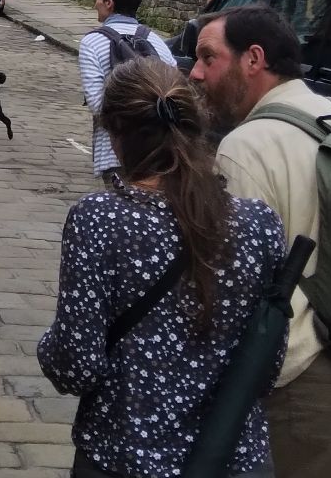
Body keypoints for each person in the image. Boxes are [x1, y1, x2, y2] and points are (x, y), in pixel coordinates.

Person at [188, 5, 331, 477]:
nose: (195, 73)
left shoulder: (248, 145)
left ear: (253, 59)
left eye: (207, 57)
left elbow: (233, 287)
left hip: (309, 385)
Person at [39, 59, 288, 478]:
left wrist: (48, 347)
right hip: (231, 458)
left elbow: (77, 366)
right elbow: (266, 366)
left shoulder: (99, 219)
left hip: (125, 456)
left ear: (115, 133)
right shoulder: (259, 222)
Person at [77, 0, 176, 181]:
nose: (96, 3)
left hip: (115, 154)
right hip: (158, 153)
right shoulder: (158, 43)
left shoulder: (92, 43)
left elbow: (98, 105)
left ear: (109, 2)